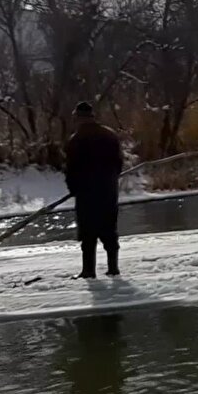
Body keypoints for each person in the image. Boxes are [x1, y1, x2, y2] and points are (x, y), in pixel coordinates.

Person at [65, 101, 124, 278]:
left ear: (78, 118)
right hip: (108, 191)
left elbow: (71, 169)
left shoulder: (75, 140)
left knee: (88, 234)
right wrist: (111, 180)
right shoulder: (110, 135)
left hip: (86, 195)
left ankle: (88, 270)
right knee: (109, 231)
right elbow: (119, 163)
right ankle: (113, 268)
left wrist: (73, 189)